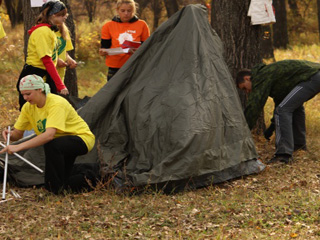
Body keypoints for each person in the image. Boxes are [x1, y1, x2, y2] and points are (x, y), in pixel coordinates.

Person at [0, 75, 96, 194]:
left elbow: (49, 135)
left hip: (82, 138)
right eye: (22, 94)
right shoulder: (28, 108)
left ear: (39, 89)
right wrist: (10, 135)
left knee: (52, 145)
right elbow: (17, 135)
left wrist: (18, 147)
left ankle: (53, 190)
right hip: (60, 143)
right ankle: (91, 179)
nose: (25, 98)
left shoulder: (56, 103)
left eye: (28, 94)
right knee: (66, 181)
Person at [236, 59, 320, 164]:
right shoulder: (269, 76)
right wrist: (271, 128)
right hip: (314, 76)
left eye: (244, 88)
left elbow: (254, 106)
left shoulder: (261, 76)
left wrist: (242, 132)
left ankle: (283, 155)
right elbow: (280, 102)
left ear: (247, 78)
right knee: (293, 108)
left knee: (283, 110)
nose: (247, 92)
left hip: (312, 77)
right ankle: (299, 147)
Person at [17, 0, 69, 110]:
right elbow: (46, 60)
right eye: (62, 15)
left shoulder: (50, 31)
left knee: (49, 108)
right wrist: (60, 84)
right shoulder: (43, 32)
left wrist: (58, 60)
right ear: (54, 15)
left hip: (44, 74)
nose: (65, 17)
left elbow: (50, 55)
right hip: (35, 74)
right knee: (33, 110)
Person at [99, 0, 150, 80]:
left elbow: (147, 47)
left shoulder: (142, 25)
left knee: (134, 91)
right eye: (123, 11)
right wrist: (102, 52)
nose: (126, 13)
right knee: (114, 92)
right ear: (117, 10)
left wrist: (138, 50)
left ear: (134, 11)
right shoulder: (108, 26)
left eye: (129, 11)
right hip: (115, 66)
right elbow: (104, 48)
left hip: (135, 65)